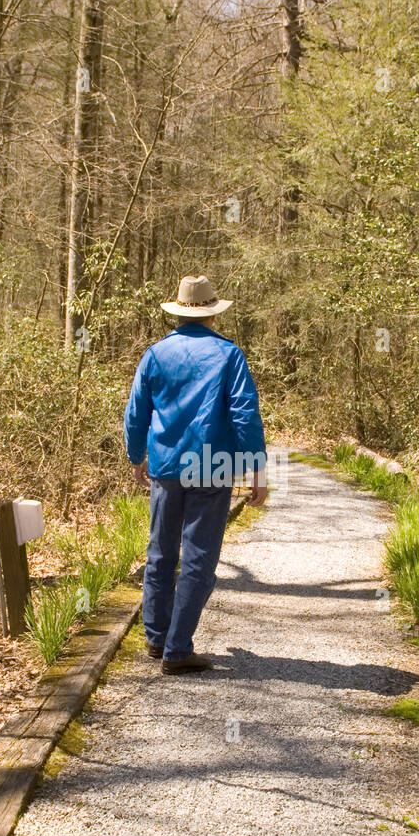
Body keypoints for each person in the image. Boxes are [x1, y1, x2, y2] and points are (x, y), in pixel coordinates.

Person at [124, 274, 268, 674]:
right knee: (199, 560)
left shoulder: (154, 355)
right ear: (211, 314)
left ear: (177, 312)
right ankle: (177, 649)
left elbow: (137, 412)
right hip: (211, 466)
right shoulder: (229, 355)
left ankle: (157, 639)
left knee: (160, 554)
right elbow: (244, 415)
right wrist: (255, 468)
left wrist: (137, 455)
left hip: (167, 466)